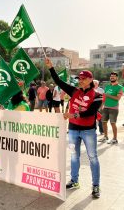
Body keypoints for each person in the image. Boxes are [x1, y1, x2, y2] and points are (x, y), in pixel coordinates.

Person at [46, 58, 102, 199]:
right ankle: (74, 181)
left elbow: (90, 112)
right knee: (73, 156)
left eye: (83, 78)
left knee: (93, 157)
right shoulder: (74, 90)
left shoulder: (97, 95)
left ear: (90, 79)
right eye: (79, 78)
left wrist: (72, 114)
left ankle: (96, 185)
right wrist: (51, 67)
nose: (80, 80)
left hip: (88, 131)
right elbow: (58, 82)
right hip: (72, 130)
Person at [99, 72, 123, 144]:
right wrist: (101, 106)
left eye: (113, 76)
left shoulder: (120, 87)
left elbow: (117, 98)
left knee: (113, 123)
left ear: (116, 78)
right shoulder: (107, 86)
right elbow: (104, 98)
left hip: (114, 108)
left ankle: (115, 139)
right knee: (103, 122)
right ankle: (105, 137)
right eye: (111, 76)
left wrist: (107, 95)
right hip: (105, 107)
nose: (112, 77)